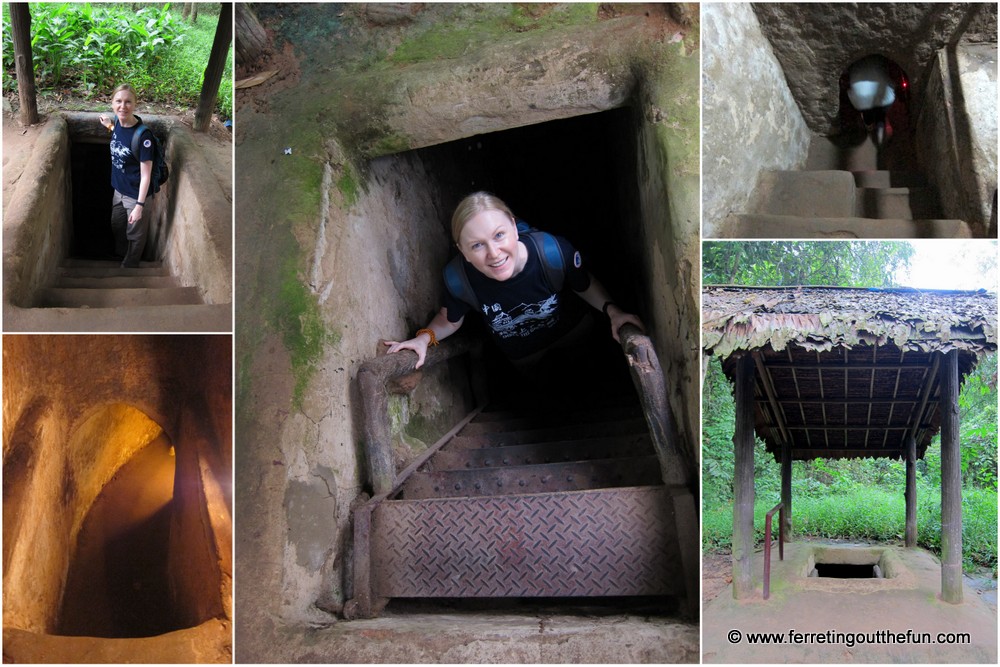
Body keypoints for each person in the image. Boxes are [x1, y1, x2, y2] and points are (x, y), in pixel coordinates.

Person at [384, 192, 644, 374]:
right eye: (477, 245)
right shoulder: (458, 278)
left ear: (514, 226)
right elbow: (450, 319)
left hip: (573, 330)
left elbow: (583, 284)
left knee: (587, 372)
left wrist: (614, 312)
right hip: (524, 354)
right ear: (462, 251)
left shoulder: (552, 252)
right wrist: (423, 340)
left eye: (499, 235)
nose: (494, 253)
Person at [98, 83, 153, 268]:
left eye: (128, 102)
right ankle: (121, 254)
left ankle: (130, 264)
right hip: (118, 191)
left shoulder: (144, 137)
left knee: (135, 234)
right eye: (119, 101)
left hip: (135, 195)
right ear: (112, 103)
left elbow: (146, 175)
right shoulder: (118, 123)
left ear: (135, 104)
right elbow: (120, 138)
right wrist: (109, 126)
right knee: (117, 225)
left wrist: (139, 206)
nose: (123, 106)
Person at [846, 55, 896, 147]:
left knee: (867, 114)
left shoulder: (854, 63)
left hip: (862, 99)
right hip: (884, 99)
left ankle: (869, 127)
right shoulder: (879, 59)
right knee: (880, 115)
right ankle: (880, 136)